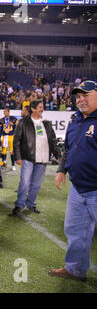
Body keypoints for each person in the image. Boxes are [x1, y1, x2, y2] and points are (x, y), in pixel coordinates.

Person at [49, 80, 97, 282]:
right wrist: (62, 170)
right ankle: (76, 269)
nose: (81, 99)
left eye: (86, 94)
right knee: (74, 230)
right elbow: (69, 149)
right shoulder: (75, 121)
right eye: (78, 96)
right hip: (78, 189)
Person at [11, 100, 60, 215]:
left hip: (43, 159)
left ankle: (31, 203)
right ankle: (19, 204)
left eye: (42, 107)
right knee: (25, 182)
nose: (42, 109)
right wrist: (18, 157)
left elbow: (53, 140)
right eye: (39, 107)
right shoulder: (23, 122)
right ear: (33, 109)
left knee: (36, 184)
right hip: (28, 157)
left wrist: (58, 155)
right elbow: (17, 140)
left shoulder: (47, 123)